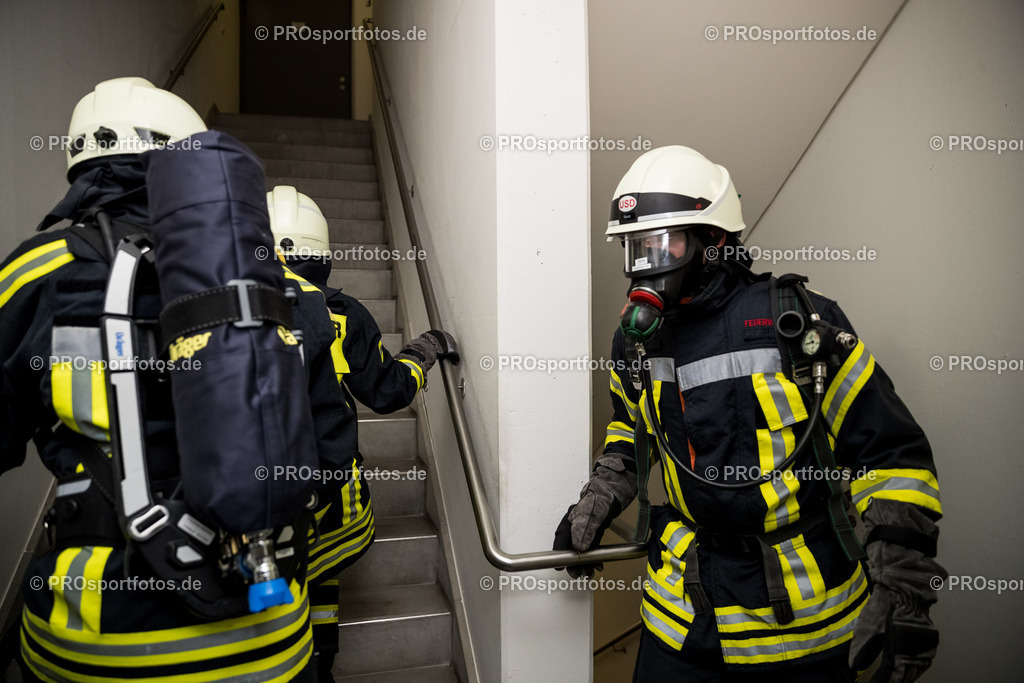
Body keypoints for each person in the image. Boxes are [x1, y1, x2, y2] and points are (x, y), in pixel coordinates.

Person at [1, 77, 356, 682]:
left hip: (99, 639)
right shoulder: (271, 283)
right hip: (268, 630)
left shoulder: (37, 271)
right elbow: (329, 445)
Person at [554, 146, 946, 681]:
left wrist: (903, 583)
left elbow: (889, 454)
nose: (645, 265)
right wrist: (600, 497)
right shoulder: (635, 342)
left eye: (661, 245)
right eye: (633, 248)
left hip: (804, 626)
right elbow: (630, 430)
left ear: (713, 241)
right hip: (681, 618)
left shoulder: (799, 321)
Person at [267, 185, 459, 681]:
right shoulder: (339, 312)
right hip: (332, 497)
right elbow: (388, 393)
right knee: (319, 572)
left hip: (253, 490)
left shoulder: (221, 313)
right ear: (321, 253)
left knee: (274, 581)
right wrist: (426, 349)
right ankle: (318, 661)